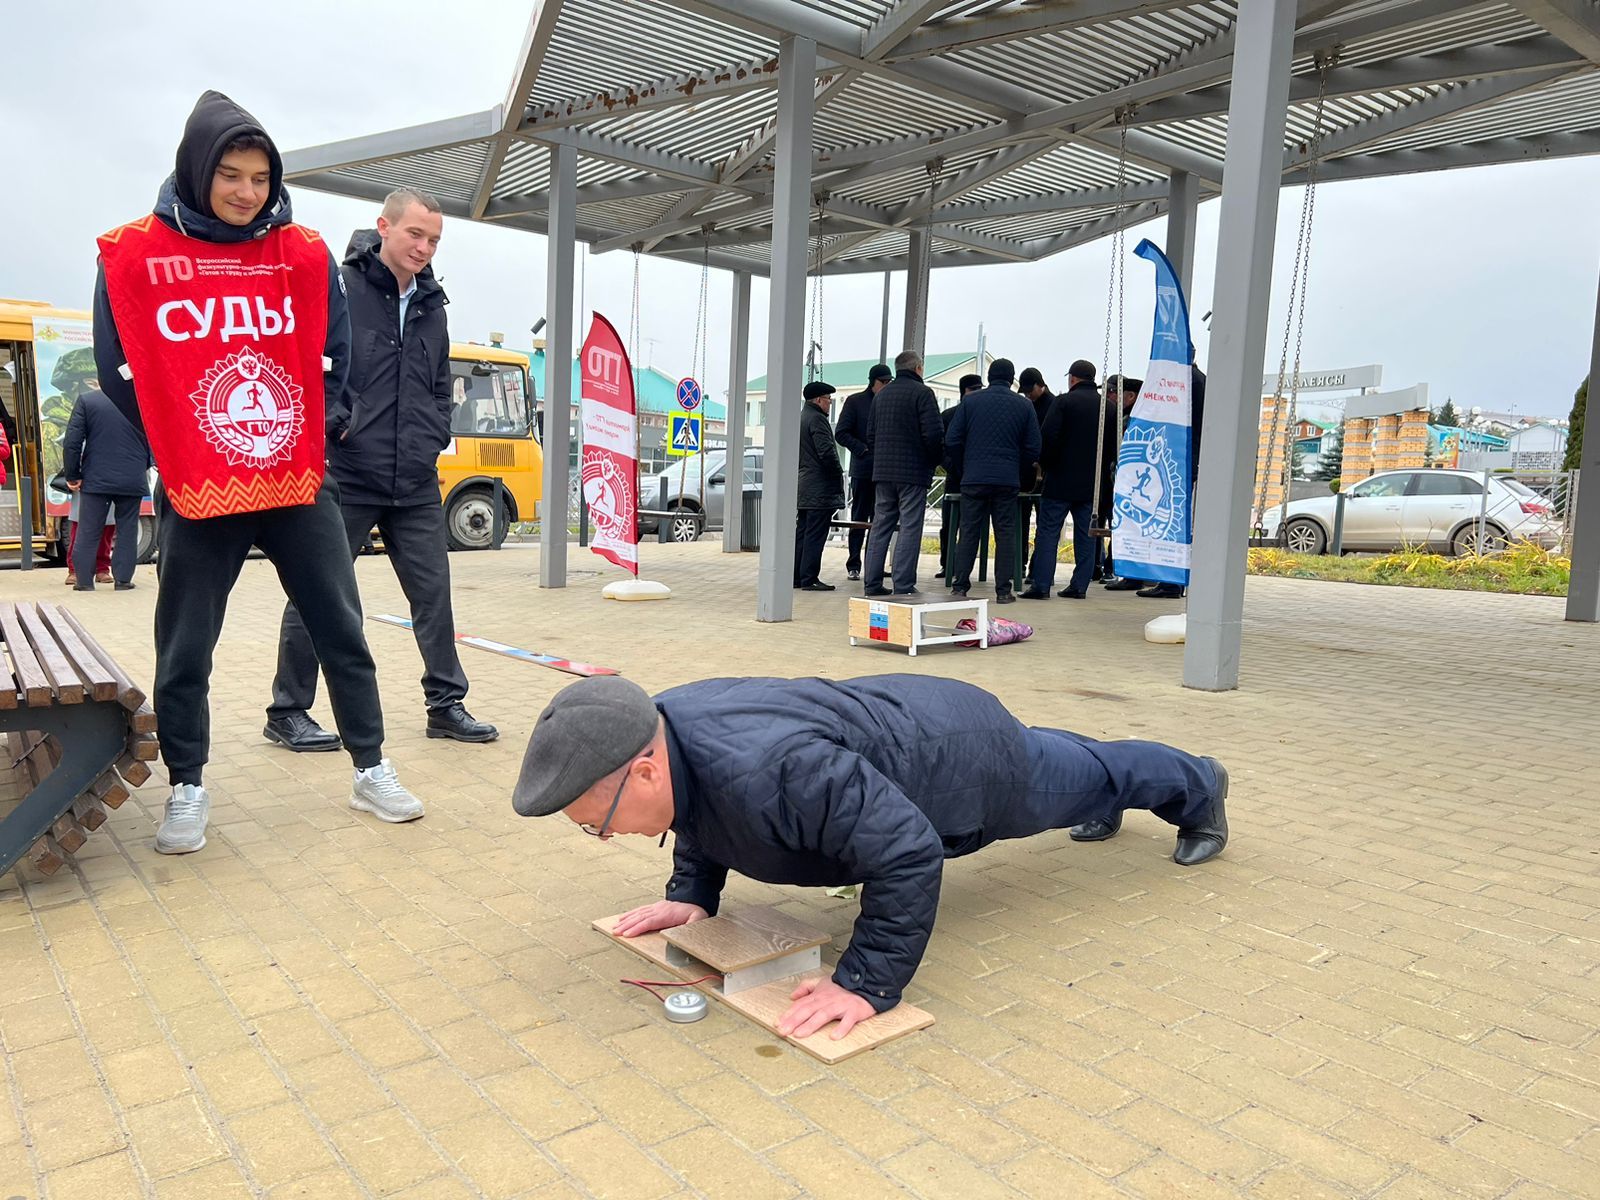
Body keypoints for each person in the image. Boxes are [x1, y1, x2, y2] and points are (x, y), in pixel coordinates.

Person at [512, 673, 1228, 1039]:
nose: (606, 837)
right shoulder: (665, 732)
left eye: (597, 824)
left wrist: (864, 984)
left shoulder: (775, 771)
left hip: (967, 757)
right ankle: (1103, 786)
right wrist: (694, 892)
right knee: (1079, 767)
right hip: (907, 729)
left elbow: (908, 850)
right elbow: (701, 804)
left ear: (643, 770)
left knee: (1092, 775)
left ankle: (1201, 784)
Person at [94, 90, 428, 854]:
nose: (248, 193)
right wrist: (175, 438)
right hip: (196, 482)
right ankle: (188, 785)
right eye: (230, 175)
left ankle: (371, 767)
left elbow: (337, 354)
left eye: (260, 177)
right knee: (186, 644)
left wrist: (330, 420)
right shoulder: (136, 253)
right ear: (197, 170)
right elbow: (122, 370)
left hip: (296, 479)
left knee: (341, 625)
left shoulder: (301, 253)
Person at [266, 189, 497, 751]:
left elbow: (441, 385)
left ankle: (446, 705)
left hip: (415, 476)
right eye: (415, 234)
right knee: (316, 592)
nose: (424, 247)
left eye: (434, 240)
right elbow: (310, 365)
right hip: (347, 471)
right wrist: (336, 426)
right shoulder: (340, 287)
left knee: (434, 596)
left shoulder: (431, 303)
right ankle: (287, 711)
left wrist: (435, 434)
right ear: (384, 228)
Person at [945, 359, 1039, 604]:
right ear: (1012, 379)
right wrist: (1016, 468)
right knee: (1006, 534)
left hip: (973, 478)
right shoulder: (1024, 406)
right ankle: (1003, 591)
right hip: (1007, 480)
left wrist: (963, 467)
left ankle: (959, 587)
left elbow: (953, 440)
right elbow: (1033, 447)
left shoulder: (970, 402)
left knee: (968, 532)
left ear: (988, 376)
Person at [1026, 360, 1117, 600]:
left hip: (1059, 482)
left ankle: (1041, 585)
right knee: (1086, 536)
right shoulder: (1108, 407)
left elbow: (1048, 438)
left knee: (1048, 533)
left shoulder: (1063, 402)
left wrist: (1045, 465)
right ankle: (1079, 586)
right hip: (1092, 486)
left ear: (1073, 379)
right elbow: (1114, 448)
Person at [861, 350, 942, 597]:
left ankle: (872, 584)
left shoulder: (882, 396)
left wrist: (881, 460)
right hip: (913, 473)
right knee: (909, 527)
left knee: (880, 525)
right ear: (918, 368)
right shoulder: (923, 393)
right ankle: (903, 585)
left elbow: (871, 435)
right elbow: (934, 434)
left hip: (883, 472)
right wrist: (935, 460)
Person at [62, 388, 150, 591]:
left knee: (88, 530)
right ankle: (123, 580)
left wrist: (72, 474)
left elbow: (72, 441)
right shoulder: (140, 398)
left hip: (96, 478)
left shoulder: (88, 400)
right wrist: (144, 464)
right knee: (128, 530)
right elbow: (155, 434)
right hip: (132, 476)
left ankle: (84, 582)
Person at [1137, 363, 1207, 600]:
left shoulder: (1187, 381)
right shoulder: (1198, 379)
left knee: (1173, 520)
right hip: (1188, 456)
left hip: (1181, 458)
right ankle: (1172, 580)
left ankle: (1171, 582)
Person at [832, 363, 890, 581]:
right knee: (859, 518)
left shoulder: (888, 401)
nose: (886, 385)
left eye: (888, 382)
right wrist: (862, 449)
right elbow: (842, 433)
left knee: (881, 520)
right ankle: (853, 563)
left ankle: (875, 564)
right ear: (872, 381)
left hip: (884, 470)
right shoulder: (855, 402)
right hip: (864, 469)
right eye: (882, 382)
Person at [794, 380, 844, 592]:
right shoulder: (817, 420)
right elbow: (826, 453)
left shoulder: (802, 417)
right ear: (818, 400)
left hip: (805, 485)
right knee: (815, 534)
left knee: (803, 532)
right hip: (819, 487)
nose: (830, 404)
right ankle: (810, 578)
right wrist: (837, 473)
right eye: (829, 400)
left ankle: (796, 576)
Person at [936, 374, 982, 579]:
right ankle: (947, 564)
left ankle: (964, 568)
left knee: (970, 526)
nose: (977, 393)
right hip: (955, 477)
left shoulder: (982, 415)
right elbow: (941, 446)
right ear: (963, 392)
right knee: (948, 524)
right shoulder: (948, 415)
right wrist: (952, 467)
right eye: (973, 389)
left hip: (975, 477)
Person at [1100, 374, 1143, 590]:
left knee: (1126, 527)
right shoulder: (1128, 416)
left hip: (1128, 484)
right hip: (1125, 483)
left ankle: (1129, 574)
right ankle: (1118, 569)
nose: (1108, 397)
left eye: (1113, 392)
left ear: (1131, 396)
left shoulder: (1130, 419)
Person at [1016, 366, 1052, 583]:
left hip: (1044, 473)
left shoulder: (1054, 405)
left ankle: (1036, 570)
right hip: (1025, 473)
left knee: (1043, 524)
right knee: (1021, 520)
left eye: (1031, 390)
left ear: (1041, 385)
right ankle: (1019, 565)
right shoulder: (1026, 405)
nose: (1028, 394)